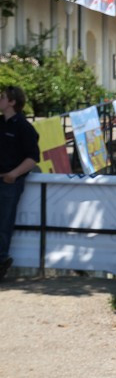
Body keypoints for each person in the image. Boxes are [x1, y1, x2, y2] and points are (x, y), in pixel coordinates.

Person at [0, 86, 40, 280]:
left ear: (12, 102)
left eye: (2, 98)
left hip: (8, 181)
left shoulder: (23, 127)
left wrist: (13, 174)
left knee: (3, 222)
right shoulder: (1, 123)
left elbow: (33, 157)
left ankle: (1, 261)